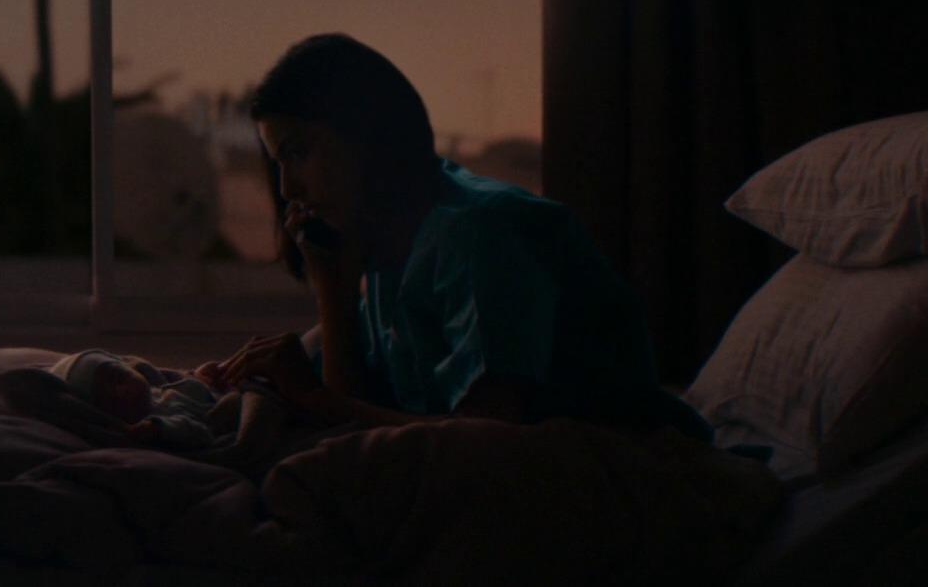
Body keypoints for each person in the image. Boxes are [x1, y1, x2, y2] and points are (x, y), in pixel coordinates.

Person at [201, 34, 709, 439]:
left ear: (367, 134)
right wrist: (334, 293)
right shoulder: (383, 240)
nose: (288, 189)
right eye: (279, 162)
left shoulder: (480, 234)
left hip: (618, 464)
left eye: (298, 153)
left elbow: (484, 439)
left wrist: (312, 398)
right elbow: (353, 416)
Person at [50, 349, 219, 449]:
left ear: (133, 369)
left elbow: (185, 386)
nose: (121, 392)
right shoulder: (157, 421)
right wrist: (159, 429)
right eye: (108, 399)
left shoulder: (157, 388)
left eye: (119, 377)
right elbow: (201, 433)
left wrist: (198, 377)